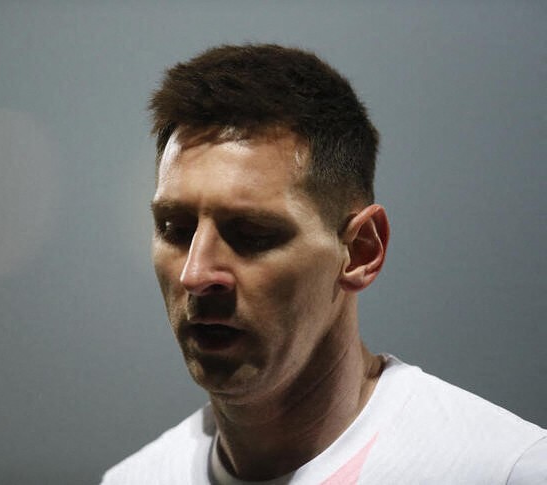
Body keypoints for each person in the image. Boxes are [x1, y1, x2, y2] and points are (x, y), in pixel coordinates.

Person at [101, 44, 546, 484]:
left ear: (360, 252)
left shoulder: (505, 470)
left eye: (252, 234)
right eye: (174, 229)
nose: (196, 275)